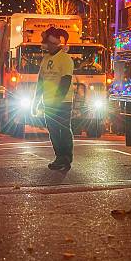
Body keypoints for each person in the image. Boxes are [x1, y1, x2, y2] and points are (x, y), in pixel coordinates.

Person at [33, 27, 75, 171]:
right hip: (48, 103)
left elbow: (65, 82)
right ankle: (59, 157)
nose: (45, 46)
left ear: (54, 43)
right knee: (53, 131)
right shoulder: (45, 59)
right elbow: (40, 82)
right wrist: (35, 101)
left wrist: (57, 101)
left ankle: (66, 157)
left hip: (63, 103)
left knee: (63, 129)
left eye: (48, 43)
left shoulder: (65, 59)